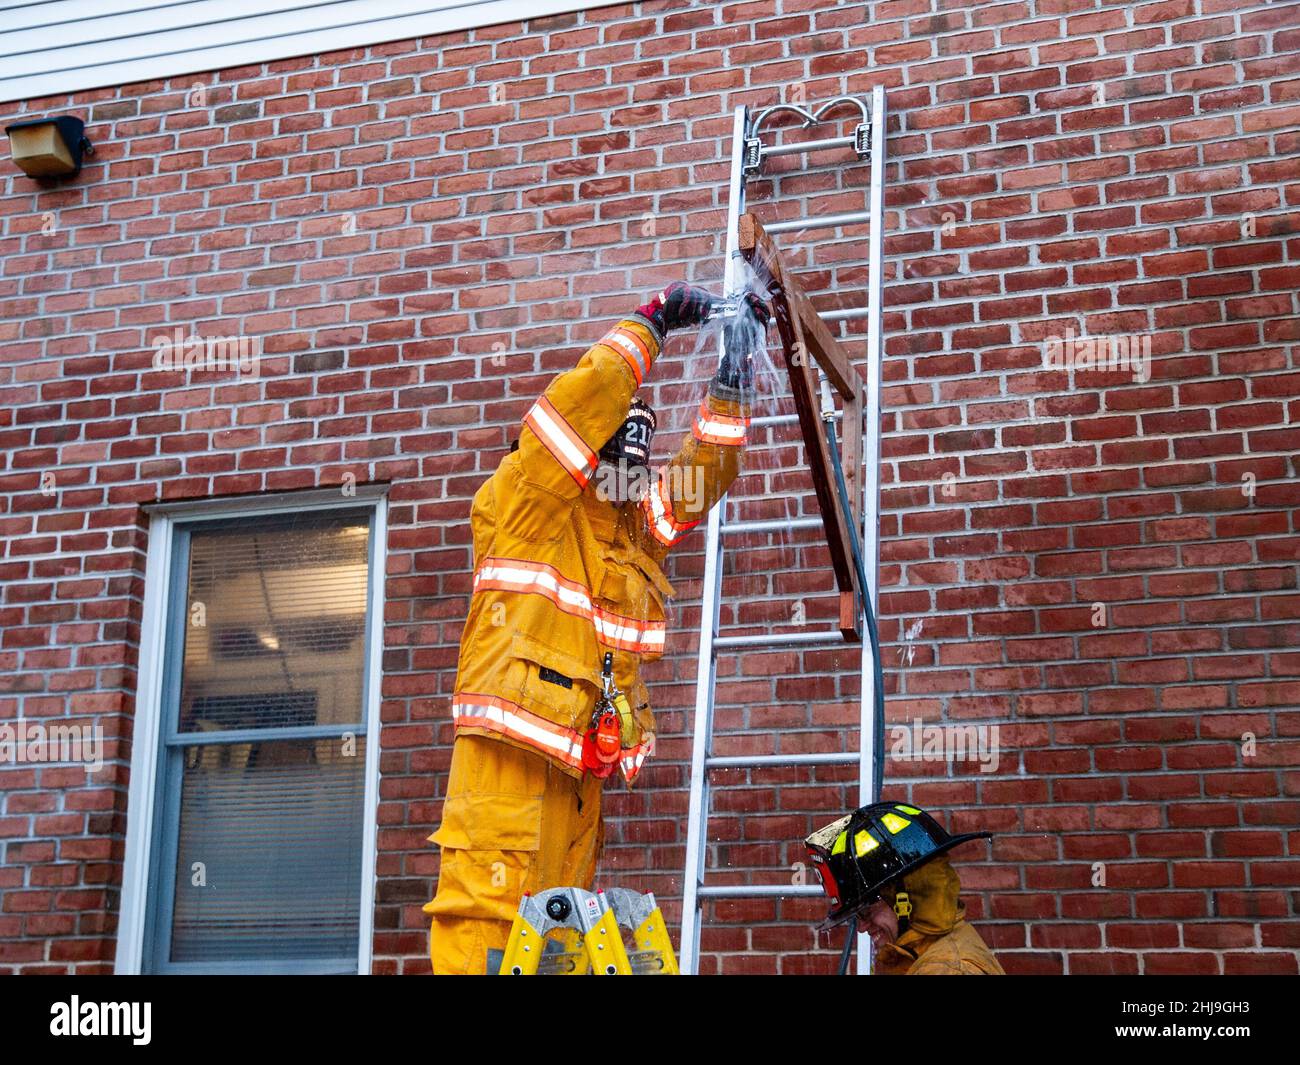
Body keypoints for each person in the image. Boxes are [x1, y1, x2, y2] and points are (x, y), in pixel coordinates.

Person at [424, 282, 770, 974]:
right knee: (489, 935)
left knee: (561, 944)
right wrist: (654, 321)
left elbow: (707, 473)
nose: (633, 447)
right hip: (510, 775)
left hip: (581, 772)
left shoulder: (635, 529)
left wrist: (732, 376)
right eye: (623, 428)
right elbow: (573, 412)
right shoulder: (525, 500)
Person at [805, 800, 1005, 975]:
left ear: (906, 897)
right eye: (857, 917)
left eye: (866, 911)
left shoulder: (946, 969)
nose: (862, 927)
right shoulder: (918, 957)